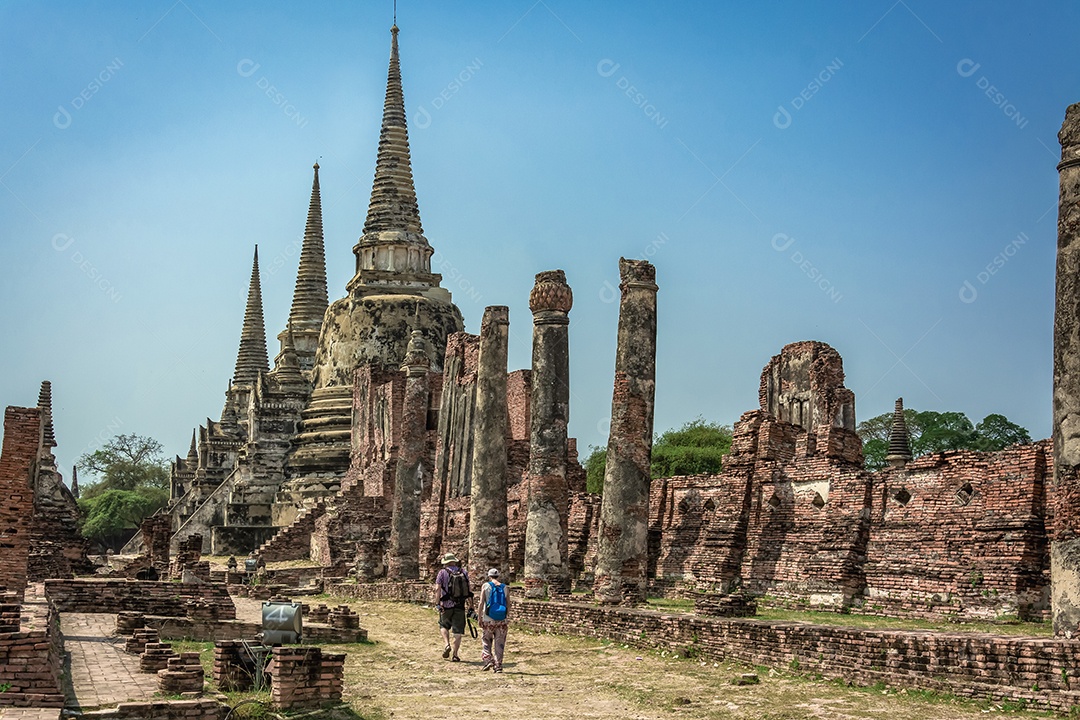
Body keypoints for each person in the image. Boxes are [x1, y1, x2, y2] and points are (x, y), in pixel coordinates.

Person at [434, 552, 473, 662]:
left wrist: (437, 603)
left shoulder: (442, 573)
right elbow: (468, 590)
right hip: (460, 604)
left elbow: (437, 589)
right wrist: (471, 605)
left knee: (443, 625)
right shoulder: (463, 572)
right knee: (458, 631)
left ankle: (447, 644)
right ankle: (455, 655)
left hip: (446, 605)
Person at [478, 568, 509, 673]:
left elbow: (481, 603)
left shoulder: (486, 586)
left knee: (486, 640)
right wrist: (506, 615)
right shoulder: (505, 587)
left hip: (488, 619)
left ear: (489, 576)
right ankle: (498, 665)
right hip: (502, 619)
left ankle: (488, 660)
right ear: (498, 576)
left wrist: (479, 617)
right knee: (500, 643)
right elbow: (508, 603)